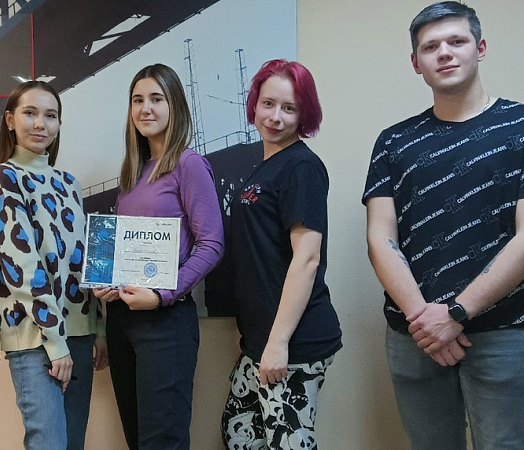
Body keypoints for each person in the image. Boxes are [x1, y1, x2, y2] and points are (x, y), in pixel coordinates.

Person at [362, 2, 524, 449]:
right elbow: (380, 237)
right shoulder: (393, 142)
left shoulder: (520, 127)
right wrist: (426, 322)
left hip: (503, 332)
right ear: (417, 63)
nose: (445, 53)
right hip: (413, 335)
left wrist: (456, 313)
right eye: (431, 47)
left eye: (457, 41)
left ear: (480, 48)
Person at [93, 63, 224, 449]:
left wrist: (164, 293)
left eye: (156, 99)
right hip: (122, 321)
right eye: (138, 100)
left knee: (162, 442)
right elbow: (125, 250)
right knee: (137, 441)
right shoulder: (132, 172)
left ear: (175, 106)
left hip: (165, 323)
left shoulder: (188, 164)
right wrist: (107, 281)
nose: (145, 108)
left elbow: (212, 244)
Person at [219, 59, 342, 450]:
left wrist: (277, 342)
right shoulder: (266, 167)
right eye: (268, 104)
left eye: (289, 108)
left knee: (287, 444)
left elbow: (307, 259)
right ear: (254, 104)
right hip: (261, 338)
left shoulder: (302, 166)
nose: (275, 116)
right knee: (239, 434)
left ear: (304, 114)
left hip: (294, 341)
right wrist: (252, 334)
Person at [0, 81, 106, 450]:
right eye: (30, 113)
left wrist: (98, 328)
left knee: (72, 445)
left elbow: (84, 261)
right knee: (48, 443)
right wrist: (55, 342)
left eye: (50, 115)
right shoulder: (5, 179)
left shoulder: (68, 183)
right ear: (10, 120)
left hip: (79, 334)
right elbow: (21, 268)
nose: (40, 123)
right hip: (35, 337)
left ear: (59, 124)